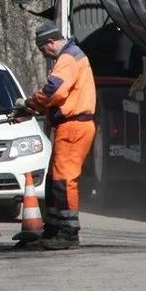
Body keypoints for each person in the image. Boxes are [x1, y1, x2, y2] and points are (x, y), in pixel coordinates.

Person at [22, 21, 96, 250]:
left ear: (51, 42)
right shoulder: (72, 57)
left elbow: (55, 91)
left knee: (64, 179)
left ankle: (68, 232)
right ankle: (53, 227)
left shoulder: (67, 59)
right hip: (70, 126)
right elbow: (61, 97)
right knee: (54, 179)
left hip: (73, 127)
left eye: (44, 50)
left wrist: (30, 103)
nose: (45, 55)